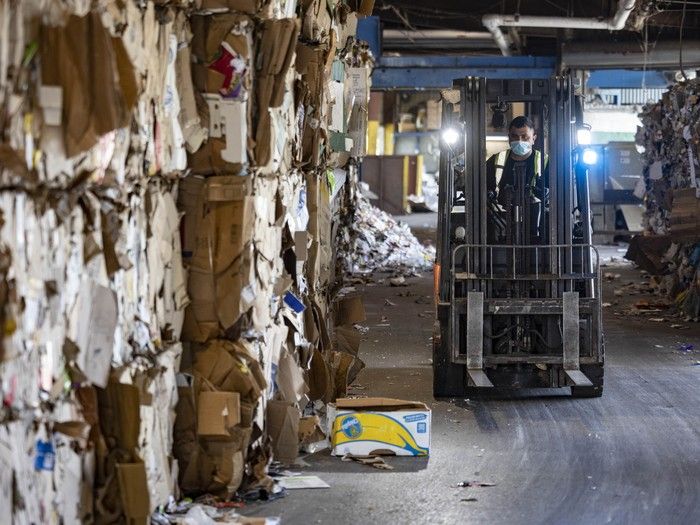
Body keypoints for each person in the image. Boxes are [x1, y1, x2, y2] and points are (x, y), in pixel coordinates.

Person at [486, 115, 548, 207]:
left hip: (536, 217)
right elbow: (483, 190)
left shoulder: (545, 162)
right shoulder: (495, 161)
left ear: (533, 138)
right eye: (514, 136)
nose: (519, 141)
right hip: (501, 217)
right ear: (509, 138)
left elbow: (555, 193)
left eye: (524, 137)